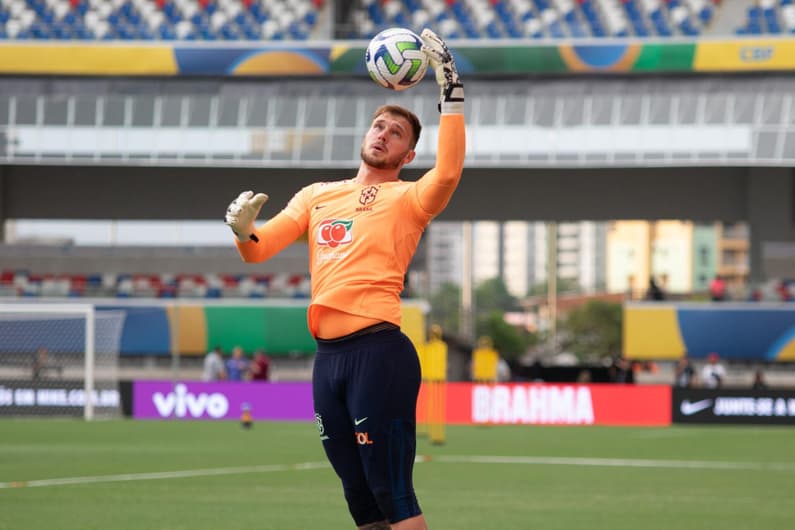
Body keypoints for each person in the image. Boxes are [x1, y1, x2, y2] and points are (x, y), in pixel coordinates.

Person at [224, 29, 464, 530]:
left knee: (392, 493)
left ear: (407, 156)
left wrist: (451, 93)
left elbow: (448, 173)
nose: (382, 135)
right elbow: (259, 250)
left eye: (396, 134)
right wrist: (244, 232)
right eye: (378, 125)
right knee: (359, 499)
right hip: (327, 361)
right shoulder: (317, 195)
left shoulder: (410, 199)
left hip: (379, 353)